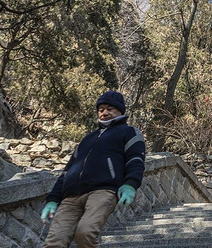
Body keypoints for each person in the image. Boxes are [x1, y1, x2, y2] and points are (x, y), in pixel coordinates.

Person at [41, 90, 146, 248]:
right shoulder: (87, 138)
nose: (104, 112)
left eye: (110, 109)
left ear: (120, 111)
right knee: (54, 242)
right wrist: (53, 200)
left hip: (103, 191)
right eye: (101, 109)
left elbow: (136, 159)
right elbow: (67, 171)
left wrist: (130, 184)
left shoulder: (129, 132)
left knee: (85, 232)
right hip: (71, 196)